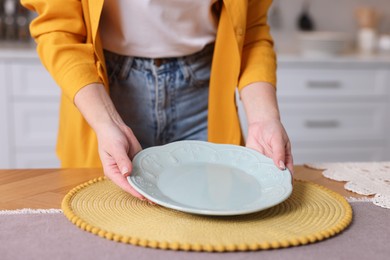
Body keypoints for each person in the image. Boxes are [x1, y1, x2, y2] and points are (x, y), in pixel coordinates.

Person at [21, 0, 293, 199]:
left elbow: (252, 31)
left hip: (203, 94)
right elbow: (59, 30)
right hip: (107, 92)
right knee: (105, 222)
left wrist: (264, 118)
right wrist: (107, 123)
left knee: (212, 228)